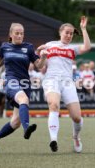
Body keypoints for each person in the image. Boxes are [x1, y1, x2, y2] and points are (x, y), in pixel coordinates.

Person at [0, 23, 48, 154]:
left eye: (22, 33)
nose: (19, 35)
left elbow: (39, 66)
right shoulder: (5, 47)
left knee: (15, 122)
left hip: (25, 84)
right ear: (10, 34)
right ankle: (27, 128)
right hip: (11, 81)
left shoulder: (29, 47)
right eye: (17, 33)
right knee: (23, 99)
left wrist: (43, 57)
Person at [37, 16, 91, 153]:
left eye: (71, 33)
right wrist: (42, 55)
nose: (68, 35)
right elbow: (39, 66)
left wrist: (83, 29)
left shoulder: (72, 49)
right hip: (51, 80)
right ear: (60, 32)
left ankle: (76, 137)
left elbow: (87, 47)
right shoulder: (49, 45)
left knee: (77, 117)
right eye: (66, 32)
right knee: (54, 105)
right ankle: (53, 140)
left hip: (67, 82)